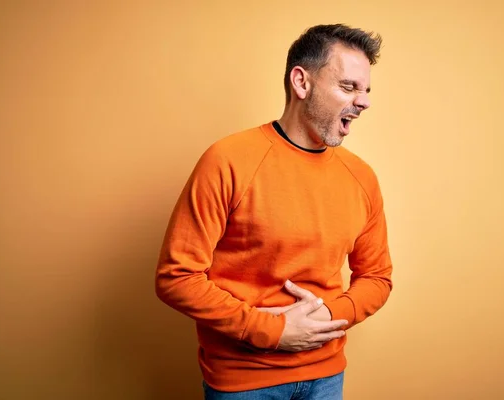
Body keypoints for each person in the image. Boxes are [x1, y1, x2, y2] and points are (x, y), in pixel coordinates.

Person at [155, 23, 393, 399]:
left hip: (327, 378)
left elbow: (377, 277)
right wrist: (271, 332)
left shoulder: (362, 177)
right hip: (244, 382)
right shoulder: (228, 160)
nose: (363, 101)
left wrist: (331, 315)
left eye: (365, 90)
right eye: (348, 87)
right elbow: (177, 276)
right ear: (302, 82)